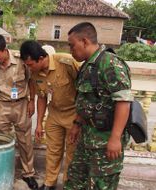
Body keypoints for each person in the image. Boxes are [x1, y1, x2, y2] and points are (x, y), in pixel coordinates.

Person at [64, 22, 133, 190]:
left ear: (85, 41)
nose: (71, 50)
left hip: (105, 142)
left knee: (101, 185)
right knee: (75, 181)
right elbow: (88, 100)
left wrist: (115, 138)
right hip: (87, 138)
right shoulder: (87, 66)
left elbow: (123, 102)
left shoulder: (109, 63)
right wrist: (77, 124)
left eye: (72, 46)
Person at [0, 34, 38, 190]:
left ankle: (29, 174)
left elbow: (31, 81)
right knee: (2, 142)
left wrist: (32, 100)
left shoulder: (21, 60)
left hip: (21, 105)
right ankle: (5, 172)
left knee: (25, 141)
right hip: (1, 106)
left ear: (5, 50)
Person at [20, 40, 80, 190]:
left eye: (30, 64)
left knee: (72, 153)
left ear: (41, 59)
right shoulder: (35, 73)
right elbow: (41, 97)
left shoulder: (66, 62)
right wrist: (39, 123)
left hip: (74, 114)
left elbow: (84, 89)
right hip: (54, 114)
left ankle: (69, 184)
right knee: (52, 151)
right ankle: (49, 183)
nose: (29, 68)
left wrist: (79, 121)